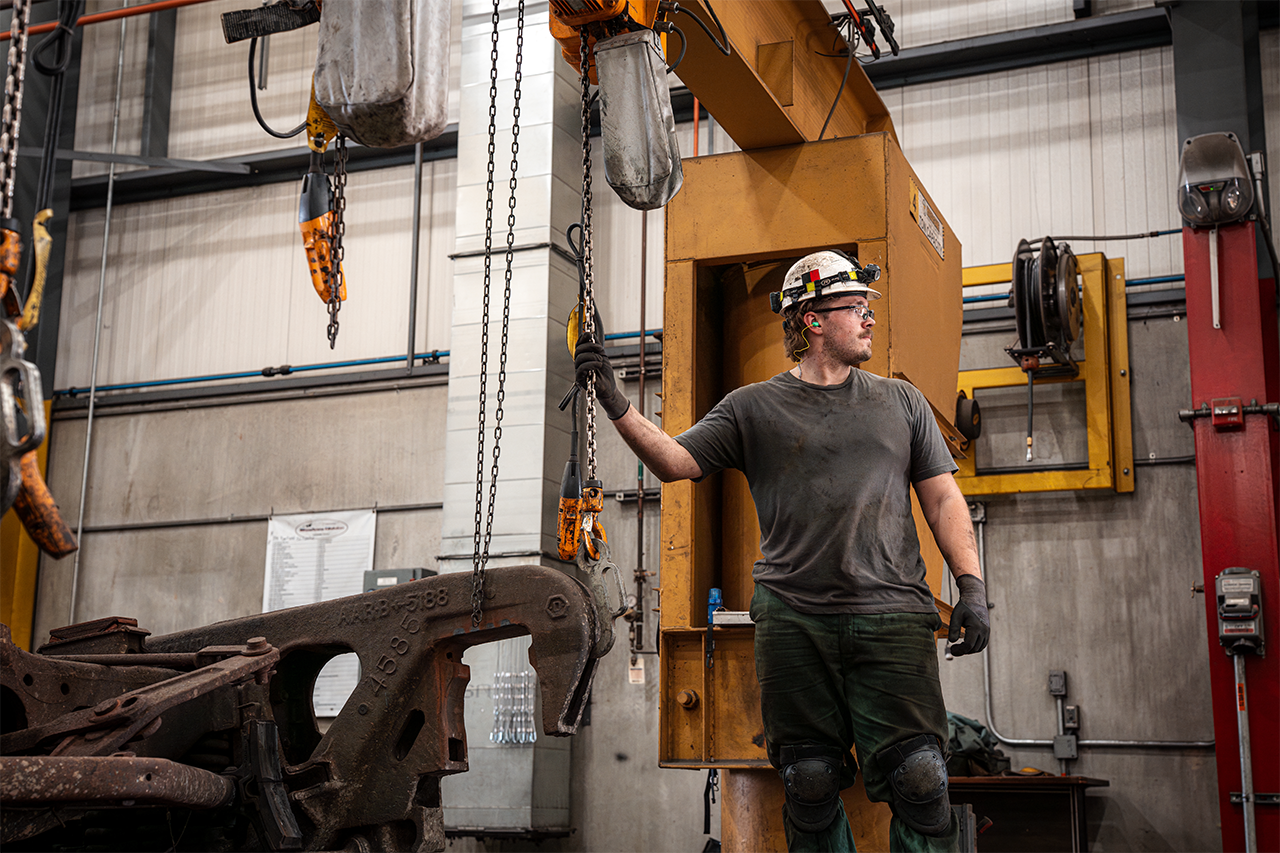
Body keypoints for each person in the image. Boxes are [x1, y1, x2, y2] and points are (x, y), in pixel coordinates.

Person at [574, 250, 989, 853]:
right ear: (814, 320)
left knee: (920, 778)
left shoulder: (900, 402)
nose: (870, 318)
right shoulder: (752, 407)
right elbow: (674, 461)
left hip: (893, 617)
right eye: (856, 308)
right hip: (794, 621)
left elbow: (944, 500)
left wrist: (971, 586)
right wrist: (615, 399)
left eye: (868, 306)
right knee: (810, 780)